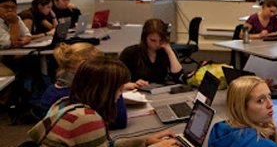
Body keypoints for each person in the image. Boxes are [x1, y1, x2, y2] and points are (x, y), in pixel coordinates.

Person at [28, 56, 179, 147]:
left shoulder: (67, 103)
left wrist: (144, 141)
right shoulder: (86, 119)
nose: (120, 94)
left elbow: (105, 144)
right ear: (105, 90)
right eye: (119, 89)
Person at [39, 42, 128, 129]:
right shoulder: (75, 95)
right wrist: (113, 86)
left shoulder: (59, 87)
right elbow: (118, 121)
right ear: (84, 66)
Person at [208, 76, 277, 147]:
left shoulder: (218, 131)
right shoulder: (262, 144)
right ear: (242, 108)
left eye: (269, 96)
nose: (270, 104)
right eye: (260, 100)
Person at [119, 18, 182, 85]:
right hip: (135, 91)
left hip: (159, 91)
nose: (157, 44)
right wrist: (132, 84)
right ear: (145, 38)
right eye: (152, 40)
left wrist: (170, 51)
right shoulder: (130, 52)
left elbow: (178, 77)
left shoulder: (164, 51)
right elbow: (117, 80)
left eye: (161, 40)